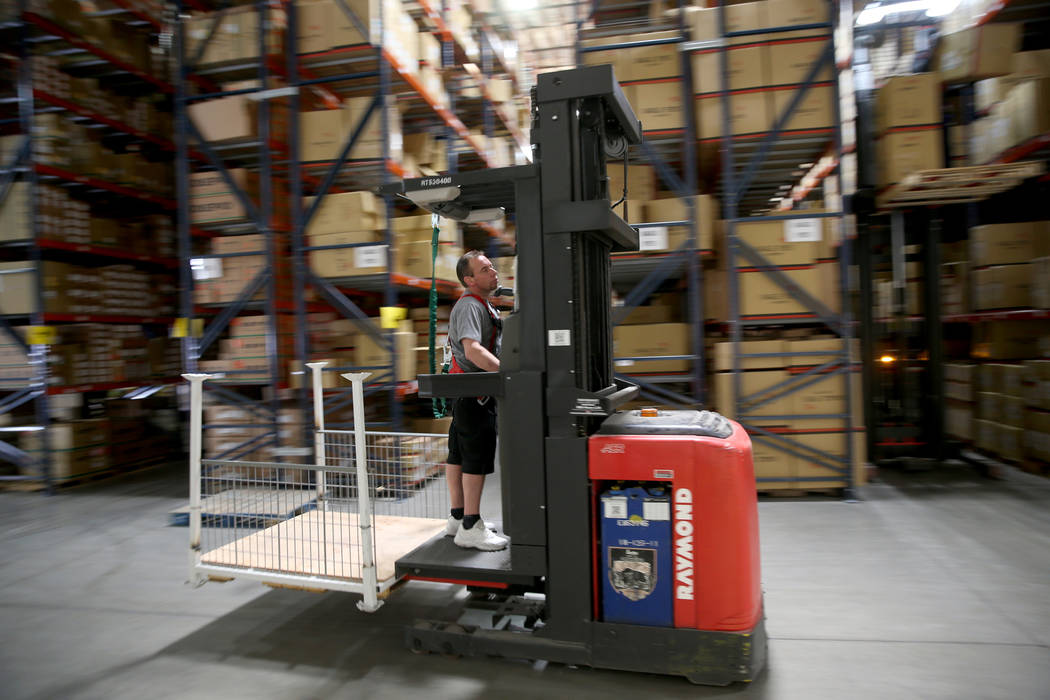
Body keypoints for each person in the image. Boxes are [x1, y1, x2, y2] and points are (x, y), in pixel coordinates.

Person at [444, 250, 509, 551]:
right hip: (476, 394)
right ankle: (471, 525)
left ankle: (458, 518)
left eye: (492, 267)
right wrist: (510, 372)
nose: (493, 272)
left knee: (458, 451)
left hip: (466, 392)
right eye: (484, 269)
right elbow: (473, 351)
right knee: (476, 456)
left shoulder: (481, 304)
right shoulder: (471, 305)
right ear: (469, 279)